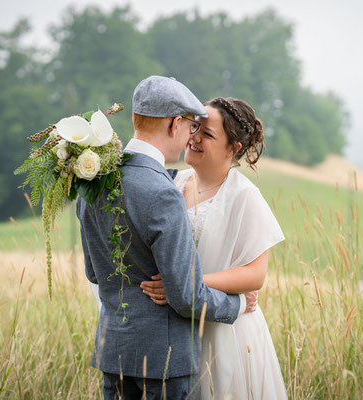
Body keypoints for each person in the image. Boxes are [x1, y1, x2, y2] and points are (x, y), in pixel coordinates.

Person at [78, 76, 257, 400]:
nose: (191, 138)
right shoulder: (163, 193)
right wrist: (239, 303)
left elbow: (94, 272)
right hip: (164, 361)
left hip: (112, 353)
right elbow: (186, 296)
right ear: (175, 124)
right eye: (191, 127)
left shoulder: (91, 182)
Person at [141, 97, 287, 399]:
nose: (193, 137)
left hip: (227, 333)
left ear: (233, 149)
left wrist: (184, 287)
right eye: (194, 127)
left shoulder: (244, 196)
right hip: (178, 332)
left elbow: (255, 275)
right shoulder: (176, 184)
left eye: (207, 134)